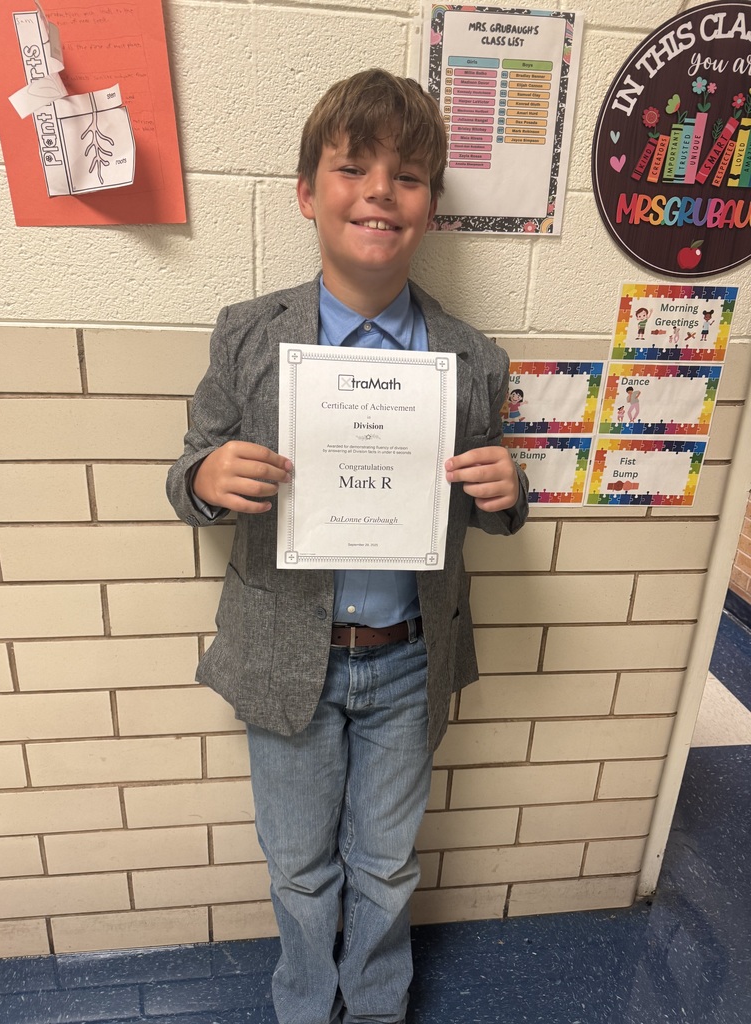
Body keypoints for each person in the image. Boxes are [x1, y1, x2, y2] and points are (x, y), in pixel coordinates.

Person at [166, 68, 528, 1024]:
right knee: (296, 865)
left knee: (387, 861)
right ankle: (302, 1001)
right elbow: (187, 467)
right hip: (289, 657)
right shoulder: (248, 336)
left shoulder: (469, 357)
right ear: (306, 194)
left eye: (407, 177)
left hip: (409, 661)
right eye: (352, 168)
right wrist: (205, 481)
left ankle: (372, 1004)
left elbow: (486, 503)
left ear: (431, 209)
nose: (379, 191)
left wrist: (507, 493)